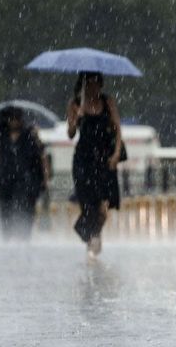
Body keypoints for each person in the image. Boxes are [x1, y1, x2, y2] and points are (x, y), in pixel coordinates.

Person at [66, 72, 121, 257]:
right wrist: (77, 117)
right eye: (89, 84)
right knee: (88, 205)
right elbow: (71, 133)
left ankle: (89, 234)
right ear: (83, 85)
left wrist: (116, 154)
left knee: (104, 208)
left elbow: (117, 129)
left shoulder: (108, 102)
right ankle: (92, 242)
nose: (93, 87)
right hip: (83, 160)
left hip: (104, 160)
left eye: (96, 83)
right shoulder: (75, 104)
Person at [0, 106, 47, 241]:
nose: (14, 121)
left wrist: (44, 178)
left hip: (27, 179)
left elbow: (41, 155)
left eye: (17, 118)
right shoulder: (0, 134)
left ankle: (24, 236)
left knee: (26, 208)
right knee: (6, 208)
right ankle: (7, 236)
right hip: (5, 179)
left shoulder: (30, 135)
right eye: (11, 119)